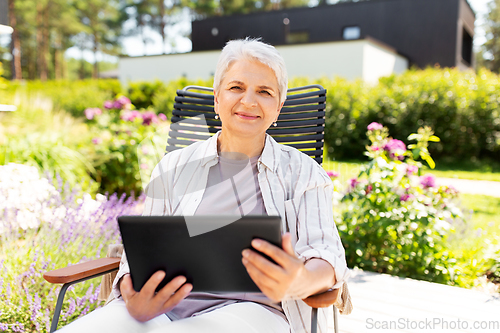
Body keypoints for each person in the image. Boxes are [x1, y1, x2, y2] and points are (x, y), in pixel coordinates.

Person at [58, 38, 349, 333]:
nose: (248, 101)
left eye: (264, 92)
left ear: (278, 108)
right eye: (236, 87)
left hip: (255, 312)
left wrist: (300, 280)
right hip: (165, 308)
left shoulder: (304, 173)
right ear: (216, 99)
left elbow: (326, 253)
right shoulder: (172, 167)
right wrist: (133, 297)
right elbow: (143, 250)